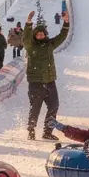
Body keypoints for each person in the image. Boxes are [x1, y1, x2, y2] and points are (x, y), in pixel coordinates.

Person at [24, 9, 69, 139]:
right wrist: (28, 23)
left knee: (54, 106)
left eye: (42, 34)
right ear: (34, 36)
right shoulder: (30, 45)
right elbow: (25, 38)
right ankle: (31, 130)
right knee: (35, 107)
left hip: (50, 82)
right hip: (36, 83)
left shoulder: (50, 44)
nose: (40, 36)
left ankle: (47, 132)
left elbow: (62, 36)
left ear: (45, 35)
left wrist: (66, 22)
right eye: (37, 34)